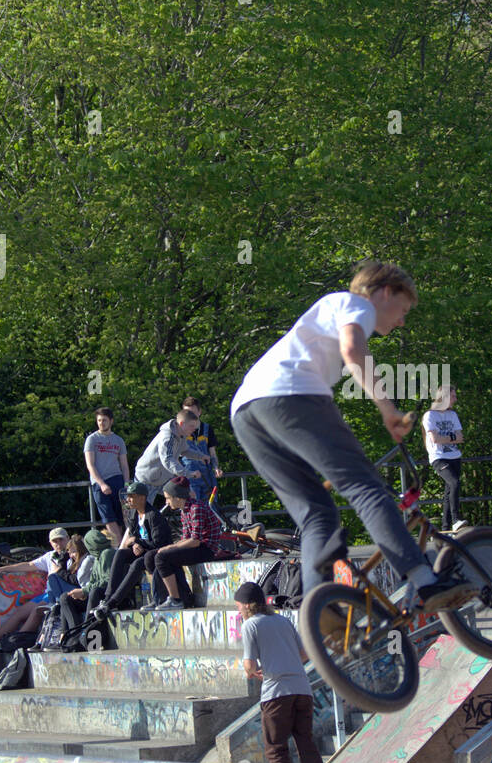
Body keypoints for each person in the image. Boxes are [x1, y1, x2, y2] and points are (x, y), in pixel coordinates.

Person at [230, 259, 468, 610]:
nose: (401, 320)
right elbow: (353, 350)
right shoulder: (356, 303)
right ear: (385, 292)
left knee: (317, 515)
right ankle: (426, 581)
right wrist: (387, 409)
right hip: (290, 395)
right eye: (402, 309)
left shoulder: (325, 313)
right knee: (365, 487)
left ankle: (319, 614)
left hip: (246, 412)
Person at [236, 581, 326, 763]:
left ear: (247, 605)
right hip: (302, 689)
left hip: (276, 693)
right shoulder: (283, 620)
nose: (239, 612)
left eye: (238, 607)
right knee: (306, 743)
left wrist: (250, 671)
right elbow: (304, 654)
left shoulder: (250, 625)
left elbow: (250, 664)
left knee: (276, 750)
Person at [0, 527, 75, 648]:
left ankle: (16, 642)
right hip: (48, 593)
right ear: (50, 543)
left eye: (61, 540)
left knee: (36, 611)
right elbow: (29, 565)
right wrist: (2, 569)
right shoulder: (50, 556)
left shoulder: (73, 555)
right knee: (20, 612)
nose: (59, 544)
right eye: (55, 541)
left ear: (68, 539)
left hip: (61, 594)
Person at [143, 478, 226, 611]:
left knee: (162, 557)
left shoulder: (196, 508)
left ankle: (175, 600)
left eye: (168, 498)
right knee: (150, 556)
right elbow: (185, 538)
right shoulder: (184, 510)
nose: (166, 502)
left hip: (205, 549)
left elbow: (195, 541)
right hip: (196, 546)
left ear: (178, 497)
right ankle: (160, 598)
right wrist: (169, 548)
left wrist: (170, 547)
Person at [92, 482, 173, 616]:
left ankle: (113, 602)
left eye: (131, 496)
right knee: (120, 554)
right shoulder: (133, 514)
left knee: (136, 564)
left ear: (142, 498)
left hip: (155, 553)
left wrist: (138, 543)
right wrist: (135, 544)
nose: (127, 499)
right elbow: (133, 537)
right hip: (141, 549)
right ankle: (108, 597)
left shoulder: (154, 516)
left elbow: (158, 543)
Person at [134, 408, 209, 505]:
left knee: (188, 494)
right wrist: (188, 473)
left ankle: (188, 518)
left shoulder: (181, 435)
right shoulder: (168, 437)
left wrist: (201, 456)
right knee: (144, 513)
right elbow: (168, 460)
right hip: (148, 479)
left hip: (162, 478)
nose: (194, 429)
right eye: (192, 426)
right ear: (182, 424)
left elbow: (185, 450)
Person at [422, 383, 468, 532]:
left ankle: (445, 527)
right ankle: (456, 519)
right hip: (439, 456)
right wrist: (452, 436)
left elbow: (461, 437)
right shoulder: (430, 415)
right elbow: (435, 439)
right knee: (454, 483)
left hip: (454, 455)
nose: (455, 399)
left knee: (449, 491)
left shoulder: (452, 414)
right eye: (453, 396)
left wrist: (447, 437)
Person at [58, 528, 115, 641]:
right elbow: (93, 581)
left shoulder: (107, 554)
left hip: (103, 596)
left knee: (90, 592)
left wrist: (84, 591)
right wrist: (83, 592)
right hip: (92, 592)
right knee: (65, 598)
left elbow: (107, 580)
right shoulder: (98, 556)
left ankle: (80, 633)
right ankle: (70, 634)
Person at [84, 407, 130, 547]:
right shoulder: (92, 439)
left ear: (111, 421)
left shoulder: (118, 440)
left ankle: (125, 547)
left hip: (117, 480)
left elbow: (124, 464)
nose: (101, 423)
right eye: (99, 420)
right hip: (100, 483)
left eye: (104, 420)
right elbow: (90, 465)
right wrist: (102, 484)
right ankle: (118, 549)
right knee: (109, 519)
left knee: (123, 518)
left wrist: (127, 484)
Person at [179, 396, 223, 509]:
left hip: (207, 475)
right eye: (187, 412)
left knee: (212, 509)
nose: (190, 416)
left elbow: (212, 453)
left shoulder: (207, 429)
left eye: (192, 412)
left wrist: (216, 467)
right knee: (193, 509)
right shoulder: (181, 430)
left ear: (200, 412)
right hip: (189, 476)